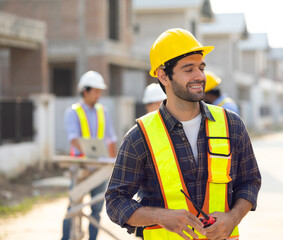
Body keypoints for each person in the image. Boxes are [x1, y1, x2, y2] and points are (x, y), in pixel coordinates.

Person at [105, 28, 261, 240]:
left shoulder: (231, 125)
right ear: (163, 76)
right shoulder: (140, 137)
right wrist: (161, 216)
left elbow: (250, 181)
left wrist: (233, 218)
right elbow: (115, 202)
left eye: (201, 67)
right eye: (189, 69)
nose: (200, 76)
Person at [61, 70, 118, 240]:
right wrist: (88, 154)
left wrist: (112, 163)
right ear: (85, 91)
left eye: (100, 91)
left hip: (101, 168)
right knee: (74, 207)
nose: (99, 95)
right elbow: (74, 139)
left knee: (96, 209)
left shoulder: (103, 111)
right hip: (81, 167)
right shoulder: (73, 112)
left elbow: (111, 139)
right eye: (96, 91)